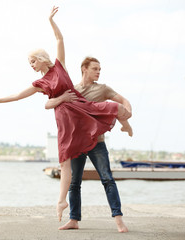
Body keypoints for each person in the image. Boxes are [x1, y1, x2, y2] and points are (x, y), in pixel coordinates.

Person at [0, 7, 133, 222]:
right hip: (65, 120)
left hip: (80, 108)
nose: (31, 66)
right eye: (29, 63)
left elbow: (60, 39)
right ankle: (62, 201)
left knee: (112, 108)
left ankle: (126, 125)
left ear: (42, 58)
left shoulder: (59, 67)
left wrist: (50, 20)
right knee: (65, 164)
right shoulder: (40, 84)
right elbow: (19, 96)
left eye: (32, 61)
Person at [45, 57, 130, 232]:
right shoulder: (72, 90)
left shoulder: (103, 89)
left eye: (100, 69)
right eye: (95, 68)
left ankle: (119, 220)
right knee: (74, 183)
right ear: (84, 69)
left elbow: (123, 100)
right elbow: (51, 104)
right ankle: (74, 220)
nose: (99, 71)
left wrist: (127, 115)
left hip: (97, 143)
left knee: (107, 179)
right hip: (76, 145)